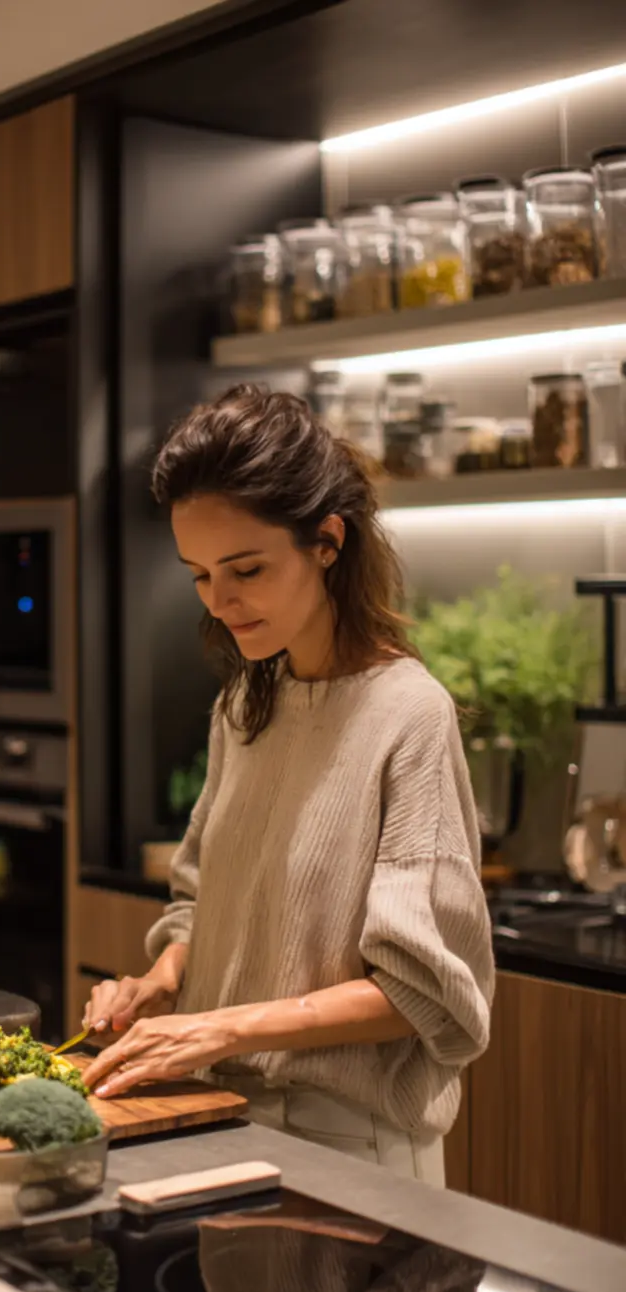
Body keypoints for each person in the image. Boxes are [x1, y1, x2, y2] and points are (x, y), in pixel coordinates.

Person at [83, 384, 495, 1185]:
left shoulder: (409, 715)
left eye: (245, 569)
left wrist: (222, 1030)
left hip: (351, 1149)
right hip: (216, 1115)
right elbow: (206, 905)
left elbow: (425, 993)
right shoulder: (245, 704)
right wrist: (162, 984)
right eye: (200, 575)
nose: (220, 601)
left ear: (328, 542)